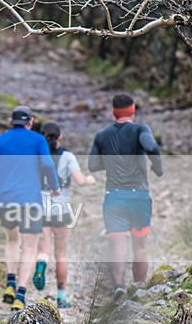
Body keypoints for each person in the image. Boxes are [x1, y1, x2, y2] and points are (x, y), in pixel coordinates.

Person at [0, 106, 60, 311]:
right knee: (30, 247)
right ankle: (21, 294)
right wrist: (54, 186)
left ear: (10, 121)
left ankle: (9, 284)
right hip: (30, 201)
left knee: (12, 240)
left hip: (5, 200)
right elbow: (48, 165)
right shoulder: (38, 140)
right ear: (31, 122)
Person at [89, 94, 163, 299]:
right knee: (140, 246)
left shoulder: (102, 135)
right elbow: (151, 147)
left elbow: (93, 165)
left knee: (117, 245)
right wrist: (157, 167)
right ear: (133, 109)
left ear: (114, 112)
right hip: (139, 197)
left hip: (114, 197)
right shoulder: (141, 130)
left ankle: (118, 287)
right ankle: (139, 287)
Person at [32, 122, 96, 308]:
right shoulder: (68, 156)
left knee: (43, 250)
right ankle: (61, 296)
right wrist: (90, 180)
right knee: (61, 253)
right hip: (60, 207)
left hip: (40, 204)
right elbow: (80, 181)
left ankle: (41, 265)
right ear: (60, 137)